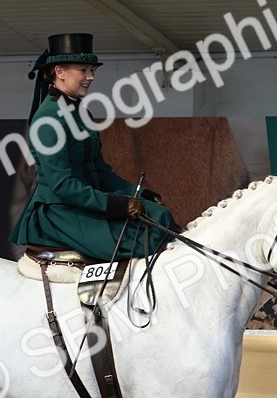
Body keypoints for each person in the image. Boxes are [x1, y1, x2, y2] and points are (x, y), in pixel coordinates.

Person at [10, 33, 180, 262]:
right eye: (83, 70)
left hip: (85, 203)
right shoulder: (48, 119)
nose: (91, 77)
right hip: (60, 211)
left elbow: (100, 172)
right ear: (59, 72)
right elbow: (63, 186)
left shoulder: (82, 113)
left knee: (159, 215)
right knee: (148, 234)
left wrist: (141, 193)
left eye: (92, 70)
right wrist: (118, 205)